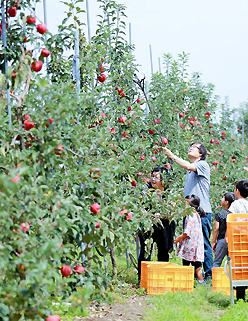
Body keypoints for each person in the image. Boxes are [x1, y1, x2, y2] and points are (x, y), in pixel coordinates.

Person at [162, 142, 213, 280]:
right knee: (192, 243)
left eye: (194, 147)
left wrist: (171, 155)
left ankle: (209, 276)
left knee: (204, 244)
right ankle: (196, 276)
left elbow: (186, 164)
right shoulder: (190, 170)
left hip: (201, 213)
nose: (190, 148)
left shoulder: (202, 164)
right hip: (190, 213)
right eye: (189, 146)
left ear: (201, 153)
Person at [137, 166, 175, 285]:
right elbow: (139, 206)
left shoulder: (169, 193)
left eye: (156, 177)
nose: (153, 179)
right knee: (145, 250)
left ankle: (162, 278)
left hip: (165, 225)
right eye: (152, 176)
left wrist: (163, 213)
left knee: (163, 250)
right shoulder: (146, 191)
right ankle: (142, 279)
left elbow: (173, 208)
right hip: (149, 224)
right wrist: (147, 214)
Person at [225, 180, 248, 301]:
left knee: (239, 266)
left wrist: (226, 235)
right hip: (247, 239)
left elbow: (230, 221)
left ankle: (240, 296)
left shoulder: (235, 205)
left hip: (237, 238)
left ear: (237, 191)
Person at [174, 194, 205, 283]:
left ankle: (186, 282)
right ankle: (201, 282)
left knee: (186, 264)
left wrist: (179, 238)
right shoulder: (196, 214)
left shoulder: (190, 216)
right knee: (197, 264)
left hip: (190, 245)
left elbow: (187, 232)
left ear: (189, 204)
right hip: (196, 244)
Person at [212, 192, 235, 267]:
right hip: (233, 241)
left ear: (226, 202)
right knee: (232, 263)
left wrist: (213, 242)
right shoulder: (234, 214)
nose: (221, 199)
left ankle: (214, 278)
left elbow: (216, 228)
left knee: (217, 262)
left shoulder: (220, 214)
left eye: (223, 198)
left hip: (222, 240)